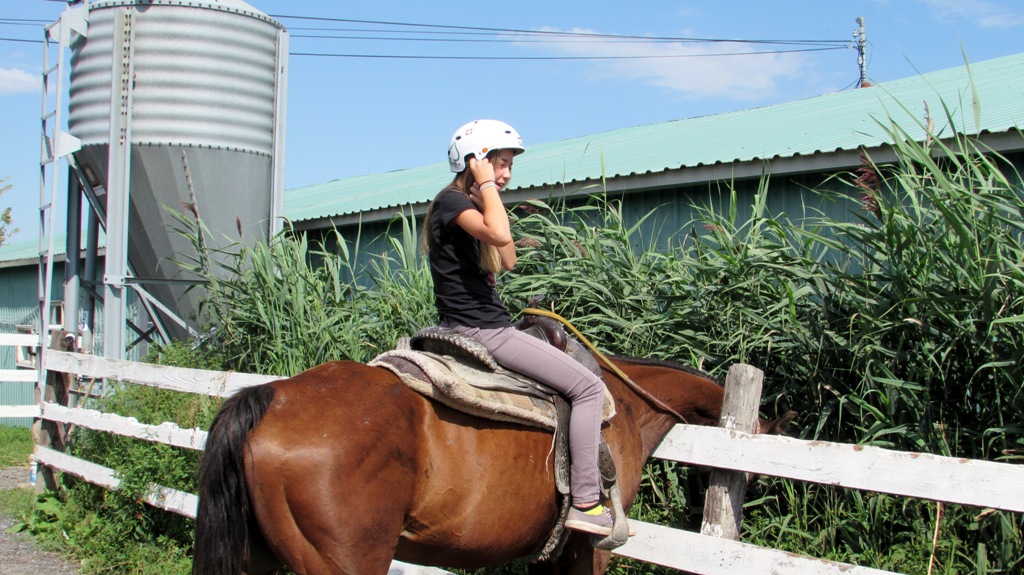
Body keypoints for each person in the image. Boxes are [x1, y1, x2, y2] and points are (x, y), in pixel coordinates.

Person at [421, 119, 619, 537]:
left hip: (477, 324)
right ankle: (586, 502)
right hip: (485, 329)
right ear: (475, 160)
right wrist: (486, 187)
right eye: (501, 163)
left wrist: (488, 194)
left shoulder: (469, 205)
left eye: (510, 165)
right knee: (588, 388)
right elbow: (498, 233)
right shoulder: (451, 203)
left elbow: (507, 258)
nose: (507, 173)